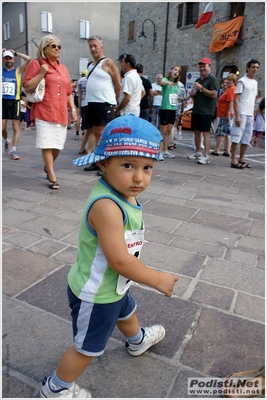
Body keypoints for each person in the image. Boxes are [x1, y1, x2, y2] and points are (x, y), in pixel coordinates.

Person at [40, 114, 178, 398]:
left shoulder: (122, 193)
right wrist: (156, 278)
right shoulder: (107, 206)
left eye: (147, 167)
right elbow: (119, 260)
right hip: (97, 294)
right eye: (128, 165)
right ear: (103, 163)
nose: (139, 177)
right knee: (86, 348)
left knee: (126, 311)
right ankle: (56, 388)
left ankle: (137, 340)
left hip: (114, 285)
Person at [23, 34, 77, 189]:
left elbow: (68, 92)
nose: (57, 49)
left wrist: (72, 109)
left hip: (60, 111)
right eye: (53, 46)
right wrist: (41, 73)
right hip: (44, 109)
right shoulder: (36, 64)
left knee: (58, 146)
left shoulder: (63, 68)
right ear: (44, 48)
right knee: (47, 143)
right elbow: (27, 87)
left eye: (59, 46)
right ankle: (52, 175)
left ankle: (48, 166)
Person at [84, 34, 121, 173]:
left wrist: (114, 102)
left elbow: (118, 85)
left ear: (102, 47)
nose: (93, 49)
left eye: (95, 46)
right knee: (96, 132)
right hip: (92, 103)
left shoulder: (108, 62)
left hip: (104, 103)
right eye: (91, 46)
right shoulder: (92, 65)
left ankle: (107, 163)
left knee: (105, 133)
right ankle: (98, 160)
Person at [188, 57, 220, 165]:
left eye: (204, 66)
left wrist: (201, 88)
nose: (202, 68)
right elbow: (197, 96)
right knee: (196, 132)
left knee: (205, 132)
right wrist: (193, 95)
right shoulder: (198, 80)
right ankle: (198, 152)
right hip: (197, 109)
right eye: (200, 66)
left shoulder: (213, 79)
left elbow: (214, 94)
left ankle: (206, 155)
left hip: (206, 111)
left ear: (209, 67)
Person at [230, 58, 260, 169]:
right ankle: (233, 160)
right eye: (253, 67)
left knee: (246, 138)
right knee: (236, 137)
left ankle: (241, 158)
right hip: (242, 112)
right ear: (247, 68)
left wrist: (253, 114)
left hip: (250, 114)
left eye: (257, 67)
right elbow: (236, 99)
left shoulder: (255, 82)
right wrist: (237, 115)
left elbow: (253, 99)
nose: (255, 69)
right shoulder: (242, 81)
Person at [2, 48, 31, 160]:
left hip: (15, 101)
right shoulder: (2, 71)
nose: (8, 60)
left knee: (16, 128)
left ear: (13, 60)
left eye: (10, 58)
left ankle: (13, 150)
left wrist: (16, 53)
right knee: (2, 128)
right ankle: (7, 140)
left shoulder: (17, 71)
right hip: (3, 101)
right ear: (4, 59)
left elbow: (28, 59)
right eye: (6, 58)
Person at [159, 65, 189, 160]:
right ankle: (159, 152)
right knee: (162, 132)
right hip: (165, 108)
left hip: (173, 109)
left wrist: (186, 98)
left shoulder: (176, 85)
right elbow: (162, 82)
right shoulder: (166, 80)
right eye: (175, 70)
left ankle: (165, 150)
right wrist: (169, 83)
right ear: (171, 70)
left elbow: (176, 97)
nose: (176, 72)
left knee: (168, 131)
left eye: (178, 71)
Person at [212, 73, 237, 156]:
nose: (228, 81)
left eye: (230, 80)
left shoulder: (231, 89)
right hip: (225, 113)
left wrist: (228, 113)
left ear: (234, 81)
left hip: (225, 114)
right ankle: (227, 150)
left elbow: (231, 102)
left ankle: (217, 149)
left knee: (221, 133)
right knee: (226, 133)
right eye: (228, 79)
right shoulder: (231, 89)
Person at [77, 68, 95, 155]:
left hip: (83, 105)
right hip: (91, 104)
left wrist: (79, 108)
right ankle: (90, 149)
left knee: (87, 129)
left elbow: (79, 95)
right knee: (92, 130)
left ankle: (81, 148)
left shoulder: (81, 80)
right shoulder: (92, 79)